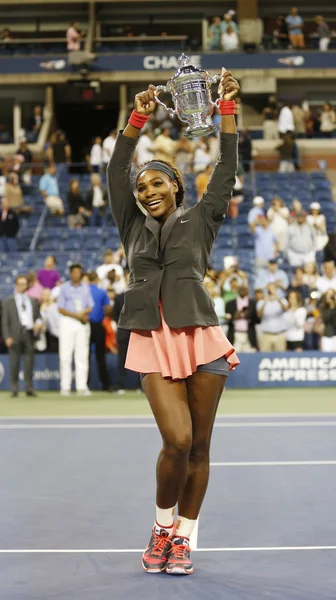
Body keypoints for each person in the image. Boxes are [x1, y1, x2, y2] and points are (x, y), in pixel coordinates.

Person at [107, 70, 240, 575]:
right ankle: (162, 526)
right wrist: (138, 117)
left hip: (201, 340)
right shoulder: (130, 223)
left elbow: (226, 166)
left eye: (157, 181)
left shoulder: (203, 216)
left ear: (177, 185)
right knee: (177, 441)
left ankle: (184, 539)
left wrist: (227, 111)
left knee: (201, 447)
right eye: (142, 187)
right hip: (151, 340)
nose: (146, 190)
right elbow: (117, 169)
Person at [2, 274, 42, 397]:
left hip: (29, 334)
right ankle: (14, 388)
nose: (22, 286)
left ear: (27, 285)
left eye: (24, 284)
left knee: (29, 362)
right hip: (15, 334)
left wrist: (38, 323)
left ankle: (29, 387)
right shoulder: (8, 301)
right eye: (19, 284)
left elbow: (38, 317)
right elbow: (5, 321)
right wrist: (6, 336)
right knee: (14, 362)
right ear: (16, 285)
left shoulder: (33, 301)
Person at [57, 263, 94, 396]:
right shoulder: (64, 288)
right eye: (74, 272)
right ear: (71, 273)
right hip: (68, 321)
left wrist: (83, 314)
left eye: (79, 272)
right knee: (65, 356)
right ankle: (65, 387)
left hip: (82, 322)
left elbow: (90, 306)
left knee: (82, 355)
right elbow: (60, 308)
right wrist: (77, 315)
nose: (76, 275)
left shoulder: (85, 288)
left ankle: (81, 386)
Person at [87, 271, 111, 391]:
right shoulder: (102, 292)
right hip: (98, 325)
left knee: (85, 356)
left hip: (86, 325)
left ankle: (84, 384)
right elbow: (107, 309)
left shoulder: (84, 291)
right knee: (101, 356)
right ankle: (105, 385)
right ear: (96, 280)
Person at [256, 282, 288, 351]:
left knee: (280, 358)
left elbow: (286, 309)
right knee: (264, 358)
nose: (271, 291)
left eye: (273, 288)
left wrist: (278, 299)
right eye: (269, 289)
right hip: (266, 335)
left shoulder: (282, 300)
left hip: (279, 334)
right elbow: (259, 315)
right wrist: (265, 302)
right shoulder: (261, 302)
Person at [225, 285, 257, 352]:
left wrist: (249, 315)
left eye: (244, 289)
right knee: (234, 356)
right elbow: (227, 319)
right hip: (235, 335)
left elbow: (257, 319)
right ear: (237, 290)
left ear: (248, 290)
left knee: (251, 356)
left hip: (249, 335)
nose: (242, 290)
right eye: (241, 289)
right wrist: (234, 317)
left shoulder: (252, 303)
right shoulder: (230, 303)